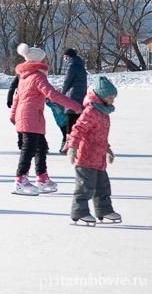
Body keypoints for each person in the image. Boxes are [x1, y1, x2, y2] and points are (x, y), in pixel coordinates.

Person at [10, 43, 83, 196]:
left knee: (41, 148)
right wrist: (74, 105)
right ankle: (20, 180)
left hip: (30, 116)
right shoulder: (37, 76)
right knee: (28, 149)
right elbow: (52, 94)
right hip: (30, 117)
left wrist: (13, 115)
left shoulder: (25, 76)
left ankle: (42, 178)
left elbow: (17, 97)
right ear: (39, 62)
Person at [67, 76, 121, 225]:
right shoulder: (91, 111)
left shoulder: (103, 112)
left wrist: (108, 150)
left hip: (99, 158)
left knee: (103, 187)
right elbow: (78, 129)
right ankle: (80, 212)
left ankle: (104, 210)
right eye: (111, 97)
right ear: (102, 96)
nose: (113, 100)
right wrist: (72, 147)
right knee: (85, 188)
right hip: (86, 157)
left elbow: (100, 136)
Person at [60, 48, 88, 153]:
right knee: (78, 120)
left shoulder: (72, 66)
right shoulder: (81, 66)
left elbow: (67, 82)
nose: (64, 60)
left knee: (70, 119)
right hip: (81, 96)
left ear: (68, 57)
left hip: (72, 96)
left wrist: (61, 94)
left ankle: (69, 144)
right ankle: (79, 144)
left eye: (65, 57)